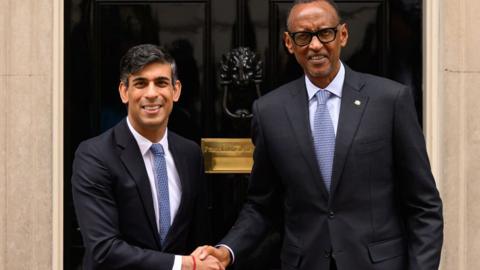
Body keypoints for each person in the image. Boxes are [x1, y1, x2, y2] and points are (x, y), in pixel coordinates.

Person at [193, 1, 443, 269]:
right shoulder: (269, 112)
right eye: (303, 36)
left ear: (343, 35)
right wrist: (227, 250)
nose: (315, 45)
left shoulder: (389, 100)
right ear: (289, 43)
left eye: (325, 33)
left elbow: (423, 206)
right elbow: (262, 206)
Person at [71, 44, 224, 270]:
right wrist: (185, 264)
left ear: (176, 90)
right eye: (140, 83)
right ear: (124, 92)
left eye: (161, 83)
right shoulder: (94, 155)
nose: (151, 94)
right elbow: (104, 249)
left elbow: (197, 236)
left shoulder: (190, 154)